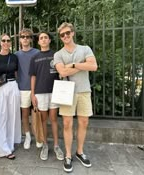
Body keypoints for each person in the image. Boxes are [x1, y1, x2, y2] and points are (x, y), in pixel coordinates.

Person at [54, 22, 98, 173]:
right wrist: (81, 64)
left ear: (72, 33)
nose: (65, 36)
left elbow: (93, 66)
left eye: (67, 33)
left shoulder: (85, 49)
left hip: (84, 91)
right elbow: (63, 73)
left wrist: (72, 65)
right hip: (67, 92)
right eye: (62, 34)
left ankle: (79, 151)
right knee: (67, 124)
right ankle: (67, 155)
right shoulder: (58, 54)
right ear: (60, 37)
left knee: (83, 122)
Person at [29, 32, 64, 161]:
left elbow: (62, 72)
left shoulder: (56, 55)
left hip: (55, 92)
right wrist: (33, 94)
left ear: (49, 40)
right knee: (43, 120)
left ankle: (56, 146)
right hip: (40, 92)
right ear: (38, 42)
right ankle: (45, 145)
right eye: (41, 38)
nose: (43, 40)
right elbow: (33, 76)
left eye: (45, 38)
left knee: (53, 119)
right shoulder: (35, 57)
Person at [0, 33, 21, 159]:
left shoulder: (14, 57)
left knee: (12, 116)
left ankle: (9, 144)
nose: (6, 42)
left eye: (8, 40)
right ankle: (2, 148)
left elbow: (16, 73)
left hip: (13, 87)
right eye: (4, 40)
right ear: (0, 42)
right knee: (0, 117)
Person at [15, 28, 41, 149]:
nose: (25, 39)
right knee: (24, 114)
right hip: (23, 88)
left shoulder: (37, 52)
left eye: (27, 36)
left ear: (31, 39)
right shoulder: (16, 55)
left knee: (38, 113)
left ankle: (38, 136)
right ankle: (28, 136)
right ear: (20, 39)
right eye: (23, 36)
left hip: (37, 88)